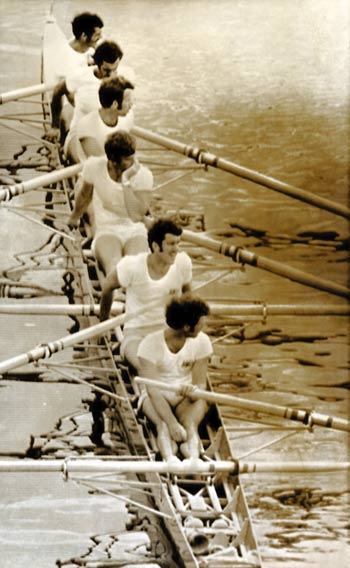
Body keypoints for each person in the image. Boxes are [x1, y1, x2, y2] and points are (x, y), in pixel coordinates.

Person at [100, 219, 192, 370]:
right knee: (148, 367)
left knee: (190, 364)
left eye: (178, 243)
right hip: (137, 334)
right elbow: (107, 287)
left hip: (168, 331)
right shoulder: (132, 266)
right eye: (171, 244)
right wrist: (104, 324)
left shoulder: (182, 263)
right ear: (156, 246)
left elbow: (189, 298)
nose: (176, 249)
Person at [137, 296, 213, 462]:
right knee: (163, 427)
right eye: (200, 323)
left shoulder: (203, 342)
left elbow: (200, 383)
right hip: (157, 395)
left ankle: (193, 460)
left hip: (184, 395)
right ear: (186, 327)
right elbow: (152, 390)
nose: (203, 326)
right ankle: (170, 460)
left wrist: (195, 392)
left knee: (190, 428)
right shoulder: (149, 344)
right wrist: (172, 424)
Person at [68, 131, 153, 275]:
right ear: (113, 161)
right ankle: (116, 294)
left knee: (136, 269)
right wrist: (74, 218)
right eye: (127, 159)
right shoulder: (94, 166)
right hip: (107, 228)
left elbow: (137, 215)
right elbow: (84, 195)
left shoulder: (143, 175)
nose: (134, 162)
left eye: (133, 156)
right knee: (115, 267)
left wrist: (126, 181)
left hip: (134, 229)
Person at [46, 40, 134, 149]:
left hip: (109, 135)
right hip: (80, 134)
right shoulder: (80, 76)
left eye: (114, 69)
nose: (111, 75)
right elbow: (57, 91)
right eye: (106, 70)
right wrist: (55, 126)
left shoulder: (123, 81)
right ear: (98, 63)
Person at [75, 76, 135, 162]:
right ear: (114, 104)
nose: (131, 104)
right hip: (93, 172)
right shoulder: (87, 125)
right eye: (128, 100)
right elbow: (100, 165)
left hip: (118, 168)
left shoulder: (128, 117)